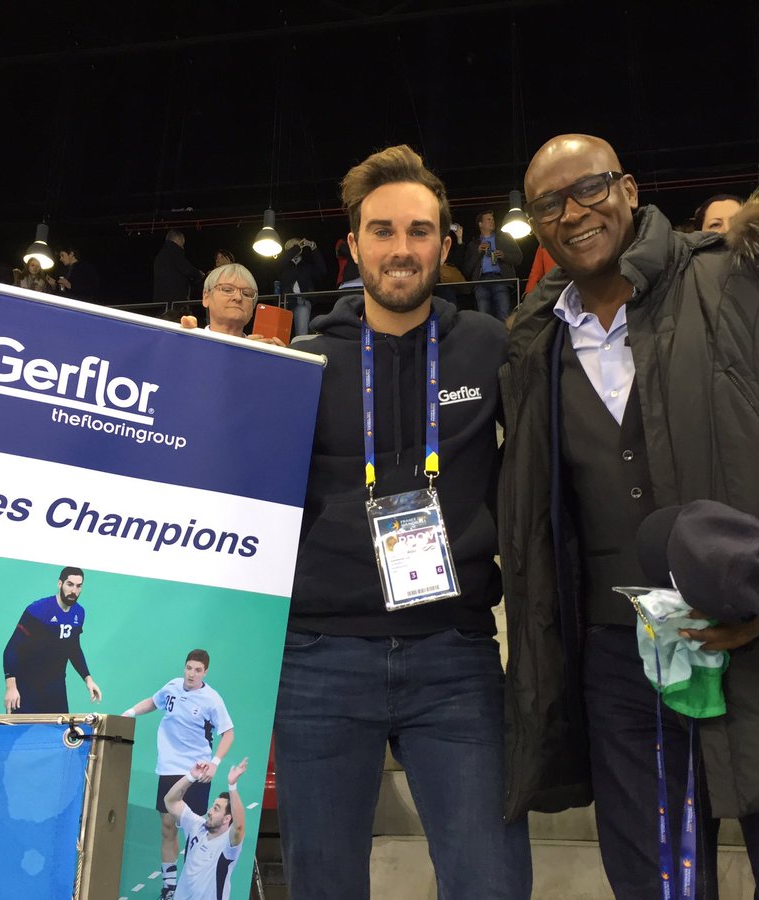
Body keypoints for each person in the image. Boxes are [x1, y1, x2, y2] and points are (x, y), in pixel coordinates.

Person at [500, 134, 759, 900]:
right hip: (622, 670)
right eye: (547, 204)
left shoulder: (750, 275)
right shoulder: (533, 342)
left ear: (630, 189)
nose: (574, 212)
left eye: (590, 187)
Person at [272, 144, 531, 900]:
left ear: (445, 246)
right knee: (324, 884)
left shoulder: (488, 346)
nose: (401, 248)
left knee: (491, 881)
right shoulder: (305, 358)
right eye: (381, 231)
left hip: (454, 657)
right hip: (321, 660)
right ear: (352, 245)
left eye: (419, 232)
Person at [123, 650, 235, 900]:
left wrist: (215, 762)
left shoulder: (212, 700)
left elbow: (228, 733)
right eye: (189, 668)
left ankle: (192, 886)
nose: (191, 674)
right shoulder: (173, 687)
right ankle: (169, 888)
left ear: (205, 672)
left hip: (197, 771)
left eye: (197, 670)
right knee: (166, 827)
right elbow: (153, 701)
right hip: (169, 767)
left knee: (194, 830)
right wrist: (129, 713)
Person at [3, 566, 101, 714]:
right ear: (60, 584)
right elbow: (11, 649)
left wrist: (88, 680)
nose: (74, 591)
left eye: (78, 586)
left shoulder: (79, 613)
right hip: (28, 689)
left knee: (59, 735)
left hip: (56, 690)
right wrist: (11, 688)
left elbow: (73, 648)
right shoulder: (38, 610)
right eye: (70, 584)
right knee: (22, 736)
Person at [162, 757, 248, 900]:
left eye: (216, 809)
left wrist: (232, 786)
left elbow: (238, 827)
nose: (209, 811)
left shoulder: (228, 846)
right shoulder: (197, 826)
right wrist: (191, 776)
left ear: (227, 819)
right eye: (212, 806)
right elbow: (170, 801)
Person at [178, 264, 285, 346]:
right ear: (206, 297)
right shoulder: (186, 342)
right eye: (227, 290)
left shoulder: (263, 352)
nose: (238, 297)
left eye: (247, 293)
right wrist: (183, 342)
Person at [463, 209, 523, 321]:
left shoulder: (504, 237)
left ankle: (505, 338)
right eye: (488, 219)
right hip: (480, 283)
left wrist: (504, 255)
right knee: (483, 317)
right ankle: (487, 338)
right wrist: (477, 252)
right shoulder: (473, 244)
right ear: (480, 224)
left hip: (500, 280)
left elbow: (518, 258)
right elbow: (466, 270)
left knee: (504, 314)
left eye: (493, 219)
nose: (492, 221)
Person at [279, 237, 327, 337]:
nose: (298, 247)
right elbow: (278, 265)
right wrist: (296, 248)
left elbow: (322, 270)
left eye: (299, 246)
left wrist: (313, 247)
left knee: (301, 335)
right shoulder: (284, 264)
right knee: (281, 335)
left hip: (302, 301)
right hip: (285, 302)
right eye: (294, 246)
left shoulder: (306, 264)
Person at [154, 230, 203, 304]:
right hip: (175, 300)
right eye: (182, 243)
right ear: (178, 239)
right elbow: (187, 270)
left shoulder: (161, 254)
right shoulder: (174, 250)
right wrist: (199, 274)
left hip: (161, 300)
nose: (183, 247)